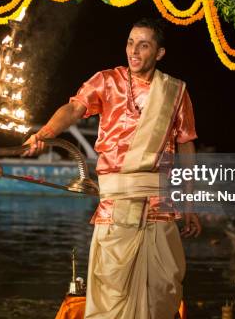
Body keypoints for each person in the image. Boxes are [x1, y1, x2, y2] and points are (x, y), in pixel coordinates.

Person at [25, 18, 201, 318]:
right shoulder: (107, 81)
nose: (134, 51)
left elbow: (185, 147)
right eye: (131, 42)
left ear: (159, 53)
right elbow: (74, 108)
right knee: (110, 293)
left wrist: (191, 202)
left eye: (143, 45)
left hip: (160, 206)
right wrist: (46, 133)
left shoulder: (175, 92)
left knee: (162, 293)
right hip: (115, 207)